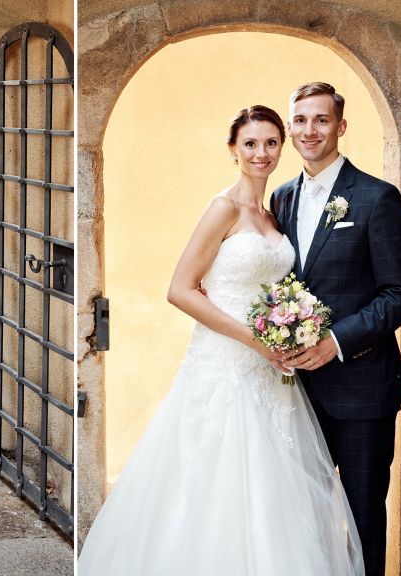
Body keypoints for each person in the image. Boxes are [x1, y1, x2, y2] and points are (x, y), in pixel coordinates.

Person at [77, 105, 364, 575]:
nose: (262, 153)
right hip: (226, 365)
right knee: (217, 484)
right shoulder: (224, 208)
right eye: (250, 143)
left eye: (271, 142)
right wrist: (256, 340)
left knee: (274, 493)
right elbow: (180, 290)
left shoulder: (276, 215)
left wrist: (292, 329)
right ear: (233, 149)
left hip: (274, 374)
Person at [273, 82, 401, 576]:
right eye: (300, 120)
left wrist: (335, 341)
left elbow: (400, 293)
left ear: (340, 126)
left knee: (361, 521)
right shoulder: (283, 196)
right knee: (300, 518)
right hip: (294, 393)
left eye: (320, 119)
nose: (309, 130)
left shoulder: (377, 198)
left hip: (362, 391)